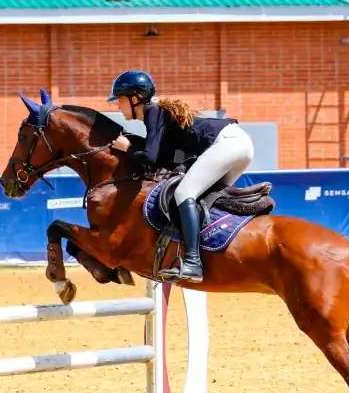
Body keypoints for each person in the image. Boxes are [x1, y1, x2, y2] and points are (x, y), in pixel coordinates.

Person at [108, 70, 255, 282]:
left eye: (119, 100)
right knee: (204, 201)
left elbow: (149, 157)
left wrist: (128, 148)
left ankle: (193, 262)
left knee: (185, 192)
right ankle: (209, 254)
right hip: (239, 144)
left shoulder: (153, 111)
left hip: (227, 144)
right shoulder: (157, 114)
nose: (117, 105)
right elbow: (163, 159)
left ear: (135, 98)